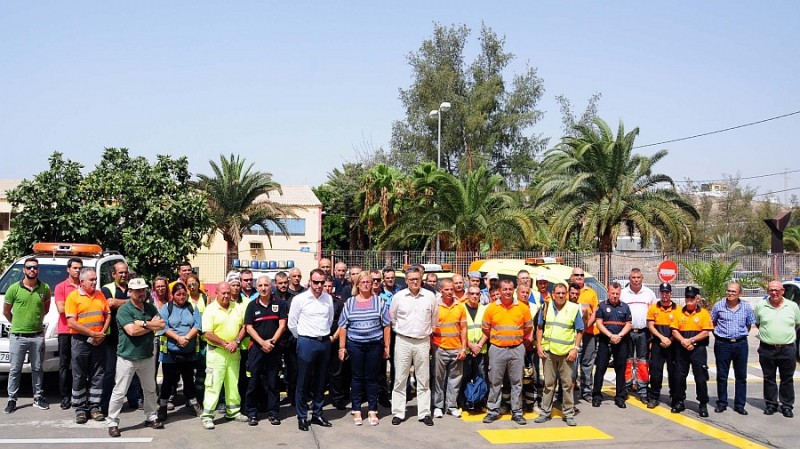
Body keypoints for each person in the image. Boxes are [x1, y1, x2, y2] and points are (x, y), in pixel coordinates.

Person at [106, 278, 166, 437]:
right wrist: (148, 324)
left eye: (143, 290)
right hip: (127, 357)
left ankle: (151, 416)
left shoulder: (150, 307)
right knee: (120, 391)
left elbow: (161, 325)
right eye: (137, 290)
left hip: (146, 356)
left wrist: (142, 323)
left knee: (150, 389)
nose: (141, 293)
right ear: (129, 292)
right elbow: (131, 331)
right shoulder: (124, 310)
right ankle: (112, 421)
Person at [339, 271, 391, 426]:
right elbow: (343, 326)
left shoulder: (379, 302)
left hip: (375, 345)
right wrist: (342, 348)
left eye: (369, 282)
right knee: (356, 378)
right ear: (357, 285)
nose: (366, 284)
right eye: (363, 282)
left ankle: (372, 409)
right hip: (355, 345)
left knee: (372, 378)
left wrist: (386, 346)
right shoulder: (350, 303)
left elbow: (387, 325)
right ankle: (356, 410)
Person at [389, 266, 438, 426]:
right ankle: (398, 412)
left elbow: (434, 319)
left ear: (421, 280)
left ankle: (424, 413)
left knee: (423, 379)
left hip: (423, 341)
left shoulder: (430, 296)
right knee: (400, 379)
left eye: (417, 279)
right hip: (403, 341)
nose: (415, 282)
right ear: (406, 281)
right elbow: (393, 317)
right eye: (411, 279)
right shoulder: (399, 297)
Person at [288, 268, 335, 431]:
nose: (319, 285)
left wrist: (321, 335)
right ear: (309, 281)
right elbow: (292, 323)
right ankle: (302, 416)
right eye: (316, 282)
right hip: (306, 342)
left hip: (323, 342)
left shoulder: (328, 299)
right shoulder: (300, 299)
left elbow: (329, 320)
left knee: (321, 380)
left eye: (322, 282)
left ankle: (317, 414)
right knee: (303, 381)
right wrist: (302, 337)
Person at [481, 279, 533, 425]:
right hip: (497, 350)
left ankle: (516, 412)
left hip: (516, 349)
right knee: (495, 382)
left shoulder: (522, 308)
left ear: (514, 290)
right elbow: (485, 328)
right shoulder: (491, 308)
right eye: (505, 289)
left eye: (510, 289)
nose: (507, 292)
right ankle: (492, 411)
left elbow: (528, 327)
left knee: (517, 382)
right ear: (500, 290)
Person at [3, 257, 51, 414]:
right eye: (29, 267)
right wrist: (18, 324)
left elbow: (45, 309)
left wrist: (34, 323)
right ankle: (12, 399)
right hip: (18, 336)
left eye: (35, 268)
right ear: (24, 270)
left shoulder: (44, 288)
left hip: (37, 336)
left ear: (38, 270)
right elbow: (6, 311)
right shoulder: (13, 289)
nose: (32, 270)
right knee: (15, 369)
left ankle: (38, 397)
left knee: (37, 368)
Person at [200, 281, 249, 429]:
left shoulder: (237, 307)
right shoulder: (210, 310)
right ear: (217, 293)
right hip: (217, 353)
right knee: (213, 384)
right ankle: (208, 416)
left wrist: (236, 341)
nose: (227, 295)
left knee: (233, 383)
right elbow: (207, 333)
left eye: (228, 292)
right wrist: (225, 344)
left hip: (234, 351)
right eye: (224, 293)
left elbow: (244, 327)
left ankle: (233, 411)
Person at [534, 284, 583, 427]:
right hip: (548, 351)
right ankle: (545, 412)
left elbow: (580, 330)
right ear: (553, 294)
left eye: (563, 293)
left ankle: (568, 414)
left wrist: (575, 348)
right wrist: (539, 345)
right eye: (558, 293)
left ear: (567, 294)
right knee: (549, 384)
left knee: (567, 385)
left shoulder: (573, 309)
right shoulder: (546, 307)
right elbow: (539, 327)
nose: (561, 296)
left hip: (567, 353)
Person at [66, 268, 111, 424]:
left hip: (98, 341)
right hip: (80, 341)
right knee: (79, 375)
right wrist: (92, 334)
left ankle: (95, 407)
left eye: (95, 279)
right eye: (91, 280)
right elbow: (71, 322)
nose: (94, 282)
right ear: (82, 281)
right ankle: (80, 408)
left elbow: (108, 315)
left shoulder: (100, 295)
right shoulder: (73, 297)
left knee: (98, 374)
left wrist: (101, 333)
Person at [244, 276, 287, 426]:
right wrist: (262, 342)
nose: (263, 288)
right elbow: (248, 327)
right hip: (256, 348)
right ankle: (252, 413)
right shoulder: (251, 306)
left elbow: (282, 325)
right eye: (260, 285)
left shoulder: (279, 304)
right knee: (254, 382)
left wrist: (272, 342)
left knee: (273, 382)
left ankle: (274, 413)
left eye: (266, 285)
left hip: (274, 349)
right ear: (257, 287)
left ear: (271, 286)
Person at [157, 282, 203, 421]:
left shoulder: (192, 307)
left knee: (189, 381)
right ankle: (163, 407)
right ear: (172, 295)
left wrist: (187, 338)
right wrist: (178, 338)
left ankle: (195, 405)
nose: (181, 297)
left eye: (184, 294)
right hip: (170, 354)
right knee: (168, 382)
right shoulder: (166, 308)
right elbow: (162, 326)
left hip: (188, 353)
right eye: (178, 294)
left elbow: (198, 325)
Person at [101, 261, 143, 414]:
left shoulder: (133, 287)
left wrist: (122, 303)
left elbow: (142, 300)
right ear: (114, 274)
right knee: (110, 372)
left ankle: (135, 399)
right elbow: (109, 304)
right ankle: (105, 404)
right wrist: (133, 301)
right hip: (112, 338)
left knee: (133, 370)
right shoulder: (107, 289)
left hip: (131, 337)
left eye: (125, 272)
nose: (124, 275)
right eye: (120, 272)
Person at [754, 280, 800, 418]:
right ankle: (771, 404)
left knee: (787, 379)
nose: (774, 292)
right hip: (767, 348)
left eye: (777, 290)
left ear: (782, 291)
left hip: (787, 349)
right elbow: (758, 323)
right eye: (771, 290)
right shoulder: (761, 306)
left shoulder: (792, 306)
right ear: (768, 291)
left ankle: (786, 406)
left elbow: (797, 324)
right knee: (769, 378)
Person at [710, 282, 755, 415]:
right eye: (729, 291)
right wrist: (721, 336)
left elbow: (749, 325)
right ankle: (722, 402)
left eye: (733, 292)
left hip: (741, 344)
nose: (730, 293)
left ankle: (740, 404)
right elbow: (712, 323)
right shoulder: (718, 306)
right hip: (722, 344)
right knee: (722, 375)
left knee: (741, 376)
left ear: (740, 293)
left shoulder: (746, 307)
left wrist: (738, 336)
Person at [670, 286, 712, 417]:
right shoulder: (678, 312)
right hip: (681, 349)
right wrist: (683, 341)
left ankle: (703, 404)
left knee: (700, 378)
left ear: (697, 299)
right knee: (679, 377)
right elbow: (674, 330)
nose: (689, 300)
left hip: (698, 349)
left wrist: (692, 341)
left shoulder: (704, 313)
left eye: (692, 298)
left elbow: (706, 332)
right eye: (687, 297)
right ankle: (679, 401)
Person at [592, 281, 632, 408]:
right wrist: (610, 336)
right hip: (605, 340)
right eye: (613, 293)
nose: (615, 296)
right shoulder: (602, 306)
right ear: (608, 293)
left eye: (617, 293)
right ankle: (597, 395)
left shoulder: (625, 307)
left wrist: (619, 336)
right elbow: (599, 323)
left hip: (621, 341)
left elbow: (628, 324)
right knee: (600, 368)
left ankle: (620, 396)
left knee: (620, 369)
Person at [619, 268, 657, 402]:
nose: (636, 280)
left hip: (643, 332)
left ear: (642, 278)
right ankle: (626, 388)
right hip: (627, 332)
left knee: (642, 362)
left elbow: (654, 313)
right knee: (627, 360)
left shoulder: (649, 293)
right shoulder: (623, 293)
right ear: (629, 279)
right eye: (633, 277)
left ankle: (642, 390)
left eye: (638, 277)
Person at [431, 279, 467, 419]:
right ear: (441, 290)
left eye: (451, 289)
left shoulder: (460, 306)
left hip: (456, 347)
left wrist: (463, 348)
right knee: (438, 379)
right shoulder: (435, 306)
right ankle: (438, 406)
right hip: (439, 347)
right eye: (447, 289)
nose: (450, 292)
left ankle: (451, 406)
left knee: (455, 379)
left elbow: (463, 328)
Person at [54, 257, 83, 410]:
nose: (77, 271)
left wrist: (72, 307)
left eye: (79, 268)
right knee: (64, 365)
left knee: (81, 365)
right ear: (68, 269)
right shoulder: (60, 287)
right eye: (75, 268)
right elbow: (61, 309)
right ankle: (65, 396)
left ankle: (80, 394)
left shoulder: (84, 286)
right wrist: (82, 308)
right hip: (66, 331)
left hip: (81, 330)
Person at [646, 283, 678, 409]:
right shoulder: (653, 308)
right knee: (655, 372)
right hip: (657, 344)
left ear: (671, 293)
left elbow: (678, 328)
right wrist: (662, 338)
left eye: (667, 293)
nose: (665, 295)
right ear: (660, 293)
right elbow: (650, 325)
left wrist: (670, 339)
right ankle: (654, 397)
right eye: (663, 292)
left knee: (674, 372)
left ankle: (675, 397)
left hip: (673, 345)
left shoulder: (678, 310)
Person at [572, 268, 599, 402]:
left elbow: (595, 311)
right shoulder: (567, 292)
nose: (579, 277)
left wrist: (586, 325)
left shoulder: (591, 293)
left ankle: (587, 391)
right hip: (572, 334)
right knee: (571, 364)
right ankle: (567, 392)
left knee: (587, 363)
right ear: (571, 277)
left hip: (589, 333)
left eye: (582, 275)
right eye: (576, 275)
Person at [460, 286, 488, 409]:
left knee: (481, 378)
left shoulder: (484, 309)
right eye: (472, 293)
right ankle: (463, 402)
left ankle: (480, 402)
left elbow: (488, 329)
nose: (474, 296)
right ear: (467, 294)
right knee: (464, 377)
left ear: (480, 296)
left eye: (477, 294)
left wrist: (479, 346)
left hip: (480, 350)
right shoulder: (461, 308)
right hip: (466, 350)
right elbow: (459, 329)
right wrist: (470, 345)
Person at [327, 274, 350, 411]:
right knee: (318, 372)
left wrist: (334, 337)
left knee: (337, 372)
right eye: (325, 286)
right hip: (320, 341)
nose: (327, 289)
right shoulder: (314, 302)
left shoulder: (339, 303)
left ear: (333, 288)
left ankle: (337, 399)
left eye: (329, 286)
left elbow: (343, 323)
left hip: (335, 340)